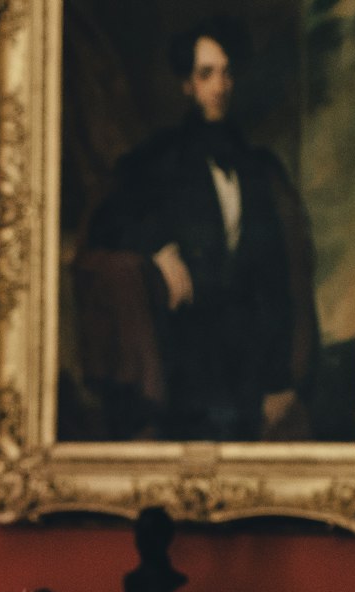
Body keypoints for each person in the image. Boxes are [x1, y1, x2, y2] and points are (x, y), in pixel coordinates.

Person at [75, 16, 318, 441]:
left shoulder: (256, 166)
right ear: (188, 84)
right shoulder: (160, 158)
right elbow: (108, 223)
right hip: (185, 354)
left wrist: (279, 378)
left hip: (248, 360)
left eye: (225, 73)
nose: (219, 86)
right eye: (206, 74)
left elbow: (275, 274)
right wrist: (158, 251)